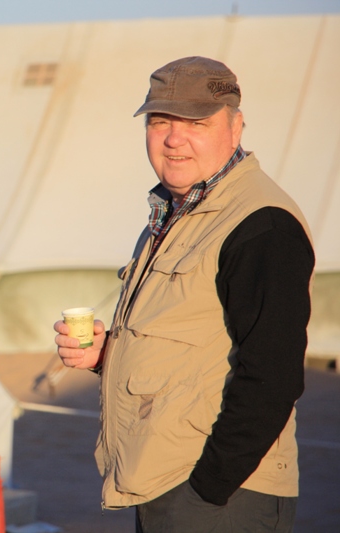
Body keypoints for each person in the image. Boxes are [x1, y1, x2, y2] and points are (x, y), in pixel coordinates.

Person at [53, 57, 314, 532]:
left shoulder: (260, 224)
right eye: (160, 121)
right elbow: (190, 344)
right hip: (164, 484)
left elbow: (273, 373)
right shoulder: (174, 214)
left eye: (196, 122)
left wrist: (209, 486)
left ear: (235, 128)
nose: (174, 138)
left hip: (221, 496)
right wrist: (107, 353)